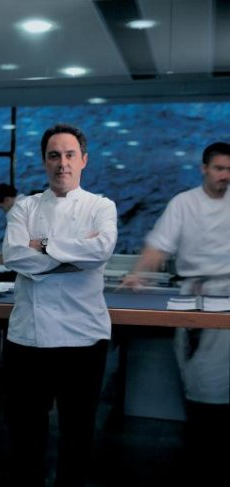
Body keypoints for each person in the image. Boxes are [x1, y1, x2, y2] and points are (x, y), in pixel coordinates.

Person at [1, 123, 118, 486]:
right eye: (54, 155)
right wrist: (74, 257)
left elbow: (100, 251)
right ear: (44, 161)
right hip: (28, 338)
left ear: (84, 160)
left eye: (70, 155)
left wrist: (43, 246)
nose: (62, 163)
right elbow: (14, 255)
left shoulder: (101, 206)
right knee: (25, 436)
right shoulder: (25, 207)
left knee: (77, 435)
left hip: (83, 338)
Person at [120, 141, 230, 485]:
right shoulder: (184, 203)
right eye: (219, 168)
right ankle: (203, 463)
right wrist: (138, 274)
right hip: (197, 301)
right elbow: (158, 248)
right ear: (204, 168)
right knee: (204, 386)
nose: (225, 175)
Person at [0, 183, 26, 271]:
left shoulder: (16, 212)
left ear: (7, 200)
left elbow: (18, 245)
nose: (3, 210)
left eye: (1, 207)